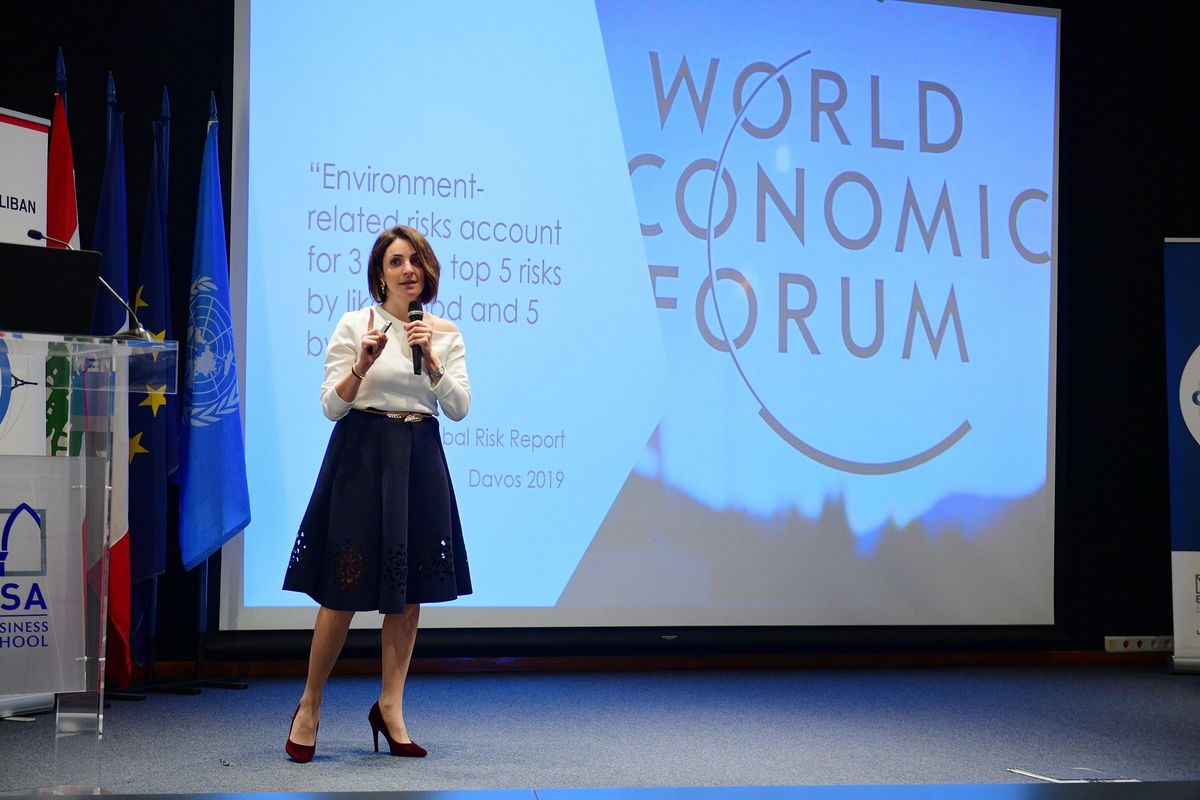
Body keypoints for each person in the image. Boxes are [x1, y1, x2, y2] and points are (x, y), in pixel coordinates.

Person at [281, 225, 471, 762]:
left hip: (419, 459)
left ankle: (391, 707)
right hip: (362, 457)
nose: (408, 270)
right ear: (380, 274)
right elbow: (330, 406)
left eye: (415, 260)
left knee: (409, 594)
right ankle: (310, 704)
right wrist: (361, 365)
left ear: (427, 270)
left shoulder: (443, 333)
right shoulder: (354, 324)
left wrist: (432, 361)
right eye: (396, 262)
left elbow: (459, 408)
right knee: (341, 590)